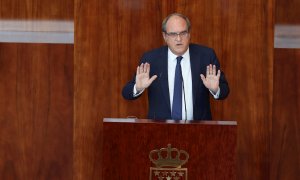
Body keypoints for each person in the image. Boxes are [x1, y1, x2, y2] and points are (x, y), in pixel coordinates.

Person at [122, 13, 229, 120]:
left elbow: (225, 90)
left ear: (189, 34)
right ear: (165, 36)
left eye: (183, 33)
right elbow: (126, 93)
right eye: (173, 34)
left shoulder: (206, 56)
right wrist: (138, 88)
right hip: (160, 130)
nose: (178, 39)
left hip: (198, 131)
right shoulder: (151, 59)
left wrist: (216, 90)